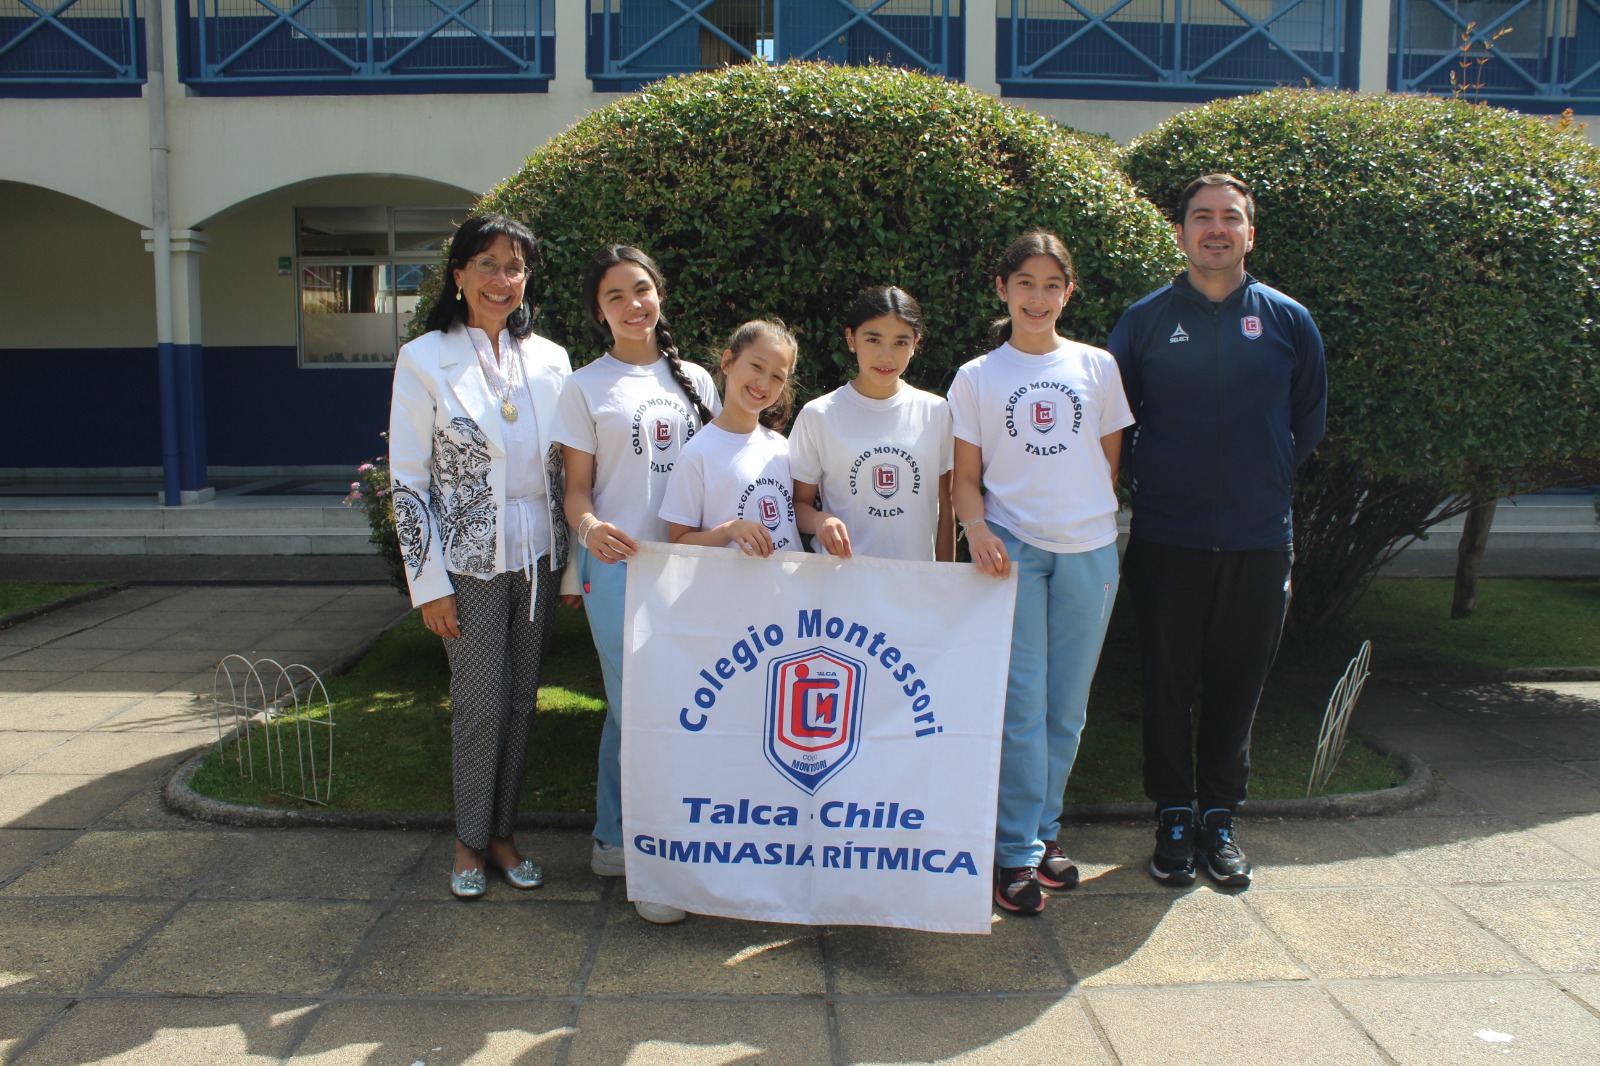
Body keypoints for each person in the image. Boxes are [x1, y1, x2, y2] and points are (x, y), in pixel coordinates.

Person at [1108, 173, 1327, 889]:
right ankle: (1173, 815)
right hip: (1169, 535)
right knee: (1167, 682)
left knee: (1239, 683)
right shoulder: (1143, 322)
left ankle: (1220, 818)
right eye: (1201, 217)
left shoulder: (1289, 320)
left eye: (1230, 218)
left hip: (1260, 537)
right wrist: (1163, 483)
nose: (1215, 228)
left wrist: (1257, 480)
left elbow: (1307, 421)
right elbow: (1117, 422)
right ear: (1179, 233)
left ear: (1249, 234)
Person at [948, 233, 1133, 915]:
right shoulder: (976, 377)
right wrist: (979, 532)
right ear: (1003, 288)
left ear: (1068, 292)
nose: (1037, 296)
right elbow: (965, 482)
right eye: (1024, 282)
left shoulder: (1098, 367)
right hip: (1012, 554)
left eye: (1051, 284)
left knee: (1067, 709)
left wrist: (1076, 519)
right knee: (1020, 709)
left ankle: (1045, 834)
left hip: (1089, 551)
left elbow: (1106, 466)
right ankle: (1014, 852)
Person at [388, 214, 571, 899]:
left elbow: (570, 469)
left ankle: (502, 834)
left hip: (539, 556)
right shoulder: (425, 357)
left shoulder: (551, 359)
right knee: (479, 706)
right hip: (466, 560)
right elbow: (408, 480)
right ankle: (467, 841)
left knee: (522, 703)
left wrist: (574, 563)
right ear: (459, 273)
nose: (502, 280)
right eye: (488, 265)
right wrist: (427, 583)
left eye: (515, 267)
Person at [553, 245, 719, 925]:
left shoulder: (700, 381)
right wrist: (589, 531)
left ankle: (616, 838)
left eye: (642, 290)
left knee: (690, 709)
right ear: (599, 310)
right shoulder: (584, 386)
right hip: (619, 569)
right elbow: (575, 492)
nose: (632, 306)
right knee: (637, 709)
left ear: (660, 295)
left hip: (693, 570)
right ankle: (648, 857)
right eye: (615, 296)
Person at [789, 286, 954, 562]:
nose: (886, 356)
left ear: (916, 343)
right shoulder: (818, 415)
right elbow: (796, 505)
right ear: (851, 339)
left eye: (901, 342)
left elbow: (947, 506)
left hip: (916, 586)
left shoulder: (936, 412)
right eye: (873, 340)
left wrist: (948, 582)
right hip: (843, 585)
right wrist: (819, 521)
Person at [661, 319, 801, 555]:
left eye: (777, 377)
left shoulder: (783, 448)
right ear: (728, 361)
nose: (764, 383)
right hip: (730, 590)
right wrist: (728, 531)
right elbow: (678, 543)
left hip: (785, 590)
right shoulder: (697, 454)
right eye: (757, 366)